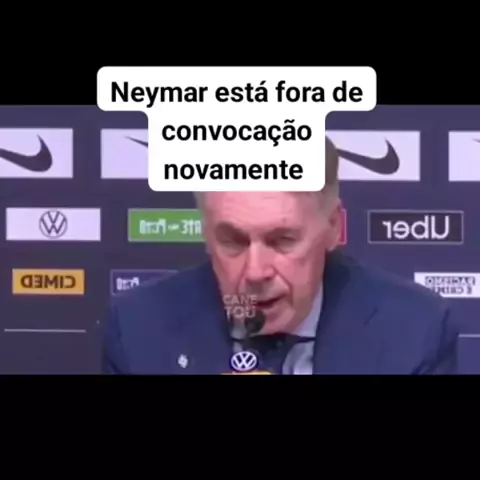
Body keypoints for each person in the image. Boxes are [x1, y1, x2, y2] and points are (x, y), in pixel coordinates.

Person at [102, 138, 459, 374]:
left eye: (282, 240)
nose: (255, 272)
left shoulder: (414, 331)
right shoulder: (137, 329)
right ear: (206, 233)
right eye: (233, 241)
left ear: (333, 227)